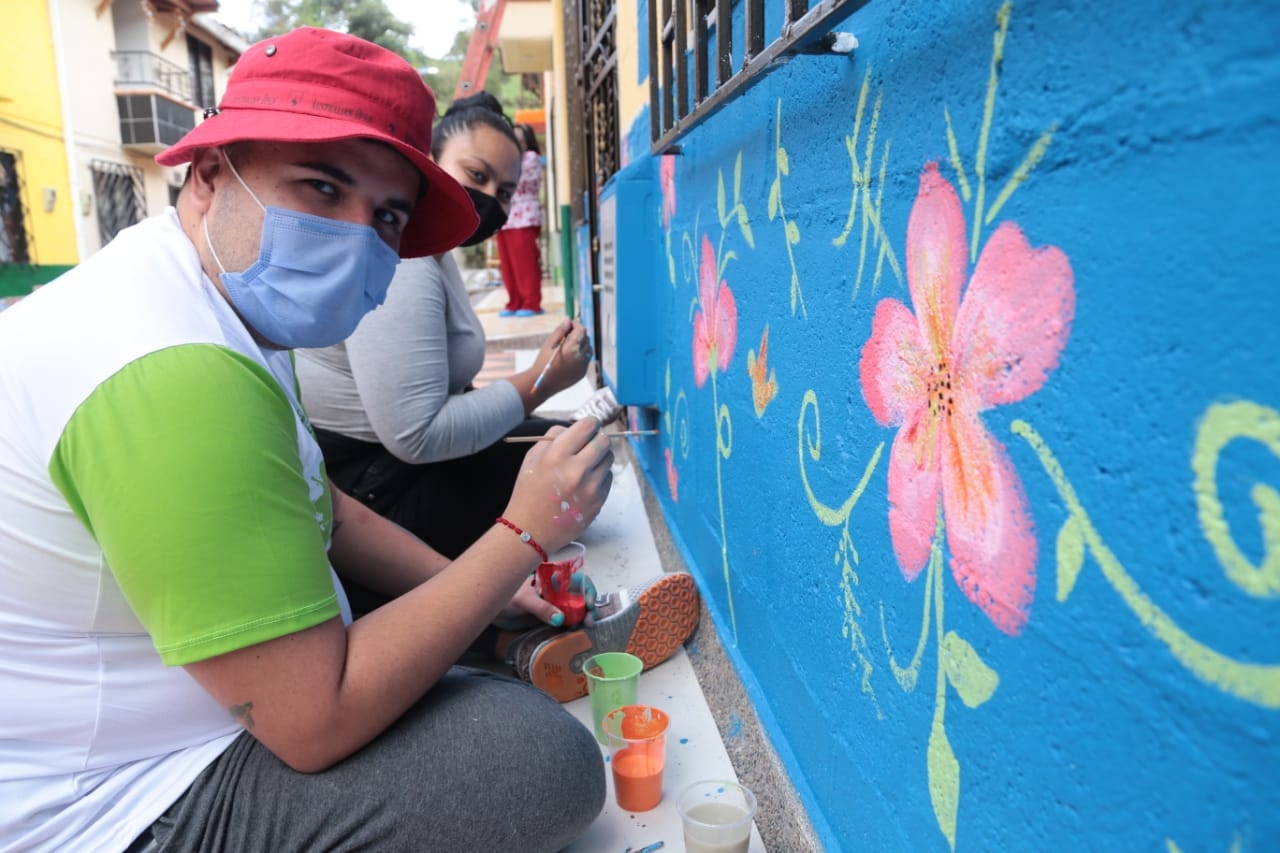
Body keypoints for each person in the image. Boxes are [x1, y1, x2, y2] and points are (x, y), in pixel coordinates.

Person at [0, 29, 611, 853]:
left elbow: (322, 509)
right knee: (536, 761)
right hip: (113, 799)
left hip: (187, 708)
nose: (360, 237)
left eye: (387, 215)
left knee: (462, 675)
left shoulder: (214, 304)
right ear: (212, 174)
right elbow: (310, 723)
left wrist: (484, 587)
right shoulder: (171, 366)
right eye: (323, 188)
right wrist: (520, 536)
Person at [296, 93, 700, 703]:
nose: (490, 200)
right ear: (430, 163)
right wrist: (541, 379)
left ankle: (516, 633)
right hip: (377, 488)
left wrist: (540, 386)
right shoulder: (405, 262)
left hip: (380, 476)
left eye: (505, 190)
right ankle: (506, 628)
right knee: (569, 463)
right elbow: (417, 433)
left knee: (570, 449)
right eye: (474, 175)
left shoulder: (433, 251)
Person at [496, 122, 545, 316]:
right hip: (506, 217)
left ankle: (531, 303)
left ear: (527, 141)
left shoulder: (531, 158)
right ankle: (514, 302)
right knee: (508, 265)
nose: (517, 143)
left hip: (524, 216)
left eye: (520, 139)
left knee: (524, 264)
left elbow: (517, 181)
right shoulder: (506, 160)